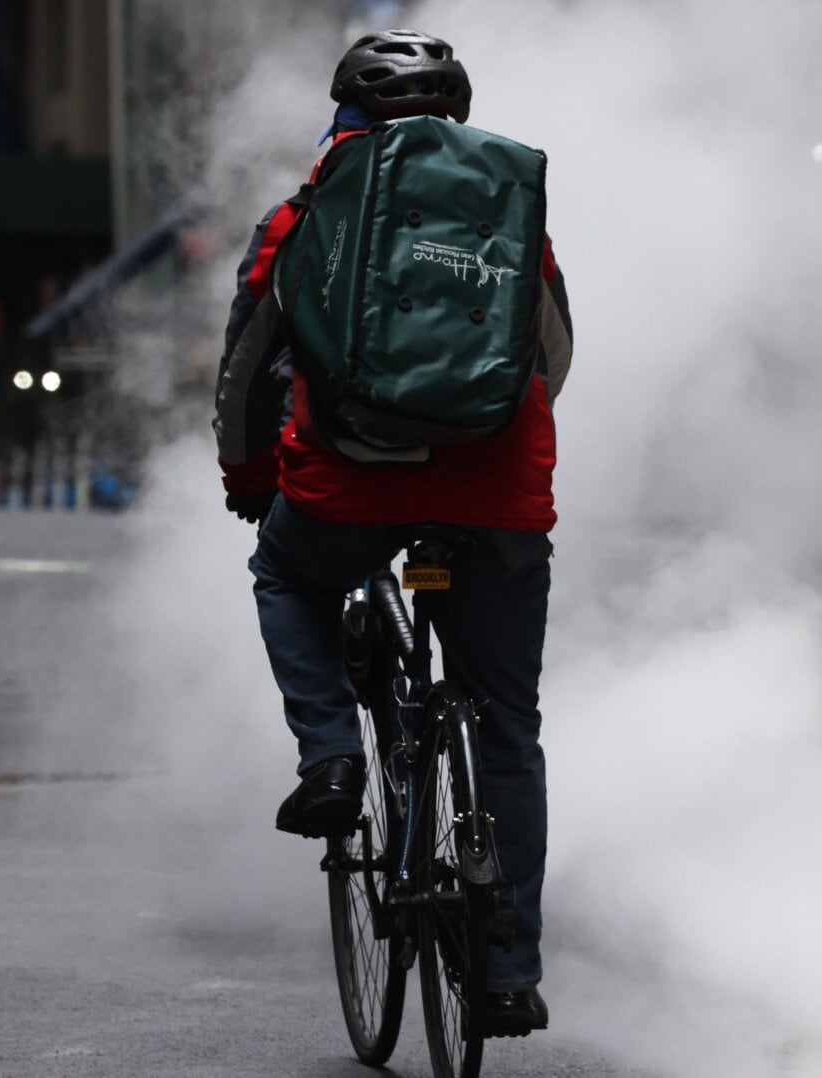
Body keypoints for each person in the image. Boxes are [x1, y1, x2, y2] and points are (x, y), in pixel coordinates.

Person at [211, 29, 573, 1036]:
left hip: (347, 490)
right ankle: (507, 973)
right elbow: (550, 350)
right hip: (497, 498)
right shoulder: (507, 209)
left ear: (347, 115)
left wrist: (251, 481)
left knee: (286, 575)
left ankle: (330, 757)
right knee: (506, 723)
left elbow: (247, 374)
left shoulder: (303, 215)